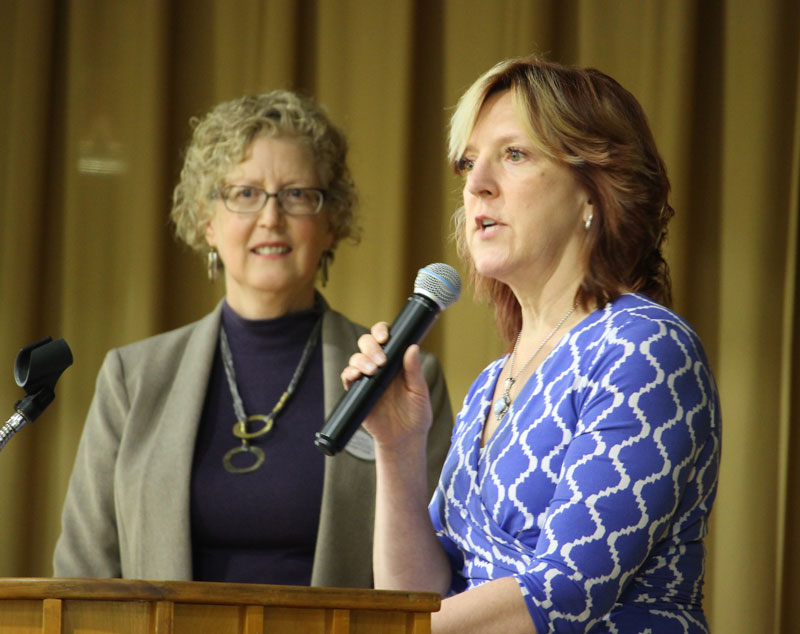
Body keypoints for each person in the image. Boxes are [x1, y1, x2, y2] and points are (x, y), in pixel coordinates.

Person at [342, 57, 721, 632]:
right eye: (469, 163)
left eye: (514, 155)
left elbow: (562, 593)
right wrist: (397, 450)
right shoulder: (491, 382)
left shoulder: (644, 348)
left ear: (594, 190)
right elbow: (418, 597)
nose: (476, 184)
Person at [53, 90, 453, 588]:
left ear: (331, 223)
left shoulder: (400, 377)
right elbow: (83, 575)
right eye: (244, 194)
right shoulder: (132, 379)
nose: (270, 217)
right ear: (207, 221)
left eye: (297, 194)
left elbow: (435, 576)